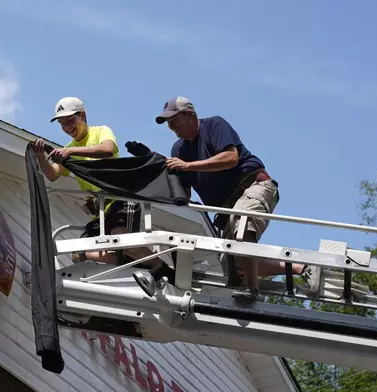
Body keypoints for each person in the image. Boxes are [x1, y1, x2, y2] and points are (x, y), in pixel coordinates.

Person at [133, 96, 322, 301]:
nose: (171, 126)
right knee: (228, 265)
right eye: (168, 123)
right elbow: (182, 192)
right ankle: (301, 267)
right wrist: (152, 162)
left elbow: (230, 158)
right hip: (227, 207)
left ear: (190, 115)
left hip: (254, 186)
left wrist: (187, 166)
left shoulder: (214, 125)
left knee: (242, 225)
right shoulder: (179, 149)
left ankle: (252, 290)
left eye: (174, 120)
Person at [31, 96, 165, 269]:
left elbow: (108, 149)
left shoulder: (100, 132)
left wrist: (70, 152)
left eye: (70, 121)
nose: (67, 127)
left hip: (119, 199)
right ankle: (135, 266)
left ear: (83, 115)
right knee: (79, 255)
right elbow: (52, 174)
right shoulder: (69, 149)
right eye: (62, 124)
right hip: (101, 211)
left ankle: (162, 269)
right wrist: (41, 155)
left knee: (122, 239)